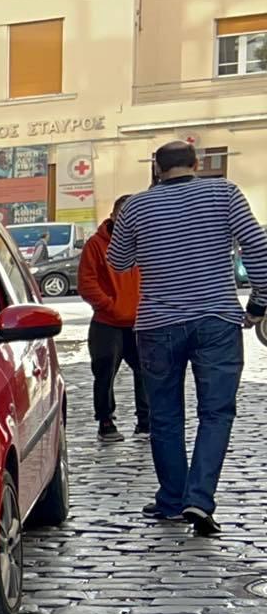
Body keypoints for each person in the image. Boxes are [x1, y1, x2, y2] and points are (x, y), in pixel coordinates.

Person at [106, 140, 267, 536]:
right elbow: (258, 245)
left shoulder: (137, 207)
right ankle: (199, 499)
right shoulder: (224, 192)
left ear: (157, 169)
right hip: (216, 319)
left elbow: (118, 261)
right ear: (196, 164)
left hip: (158, 323)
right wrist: (259, 303)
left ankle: (171, 500)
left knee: (165, 415)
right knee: (216, 413)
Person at [80, 195, 145, 441]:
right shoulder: (96, 245)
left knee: (147, 372)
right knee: (105, 373)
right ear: (115, 215)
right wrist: (109, 306)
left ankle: (146, 422)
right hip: (107, 323)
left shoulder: (145, 241)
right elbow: (87, 283)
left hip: (141, 321)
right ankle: (105, 421)